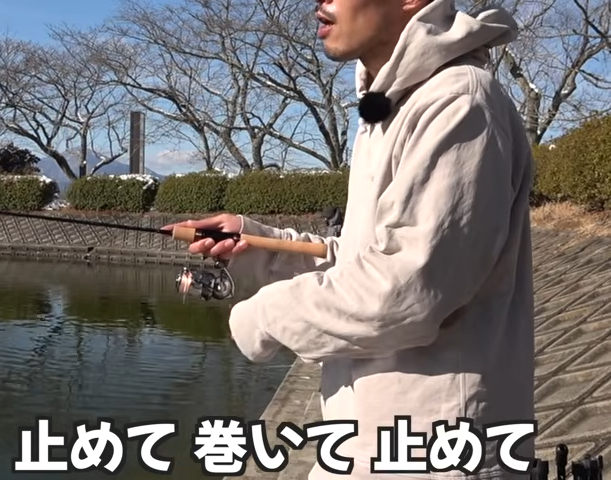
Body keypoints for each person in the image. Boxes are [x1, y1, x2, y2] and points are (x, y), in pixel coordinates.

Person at [165, 0, 536, 478]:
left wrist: (264, 315)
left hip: (431, 448)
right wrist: (259, 244)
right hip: (372, 437)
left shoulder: (460, 103)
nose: (319, 4)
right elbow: (366, 259)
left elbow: (406, 288)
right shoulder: (394, 104)